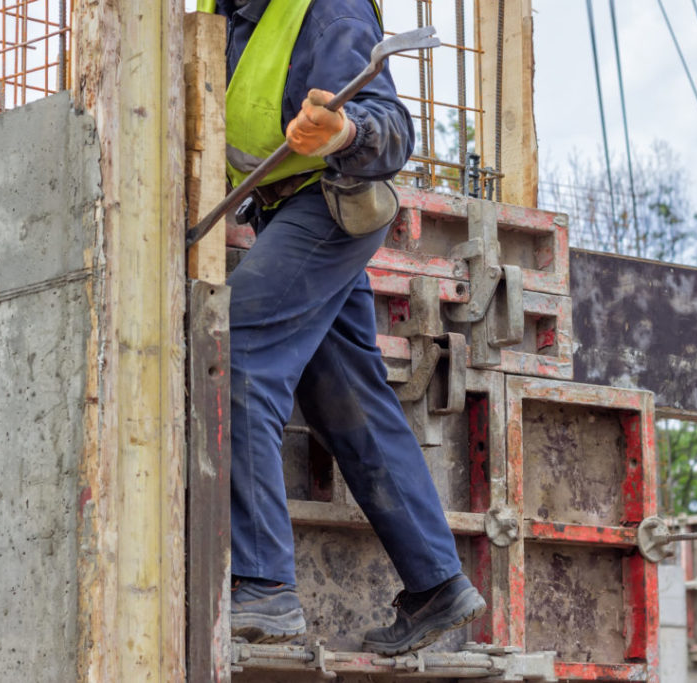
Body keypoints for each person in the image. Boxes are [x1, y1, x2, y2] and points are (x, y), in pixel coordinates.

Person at [197, 0, 486, 655]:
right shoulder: (223, 16)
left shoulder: (326, 7)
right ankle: (437, 583)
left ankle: (265, 586)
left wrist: (343, 132)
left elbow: (390, 126)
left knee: (235, 348)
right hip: (283, 215)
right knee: (343, 393)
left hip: (329, 205)